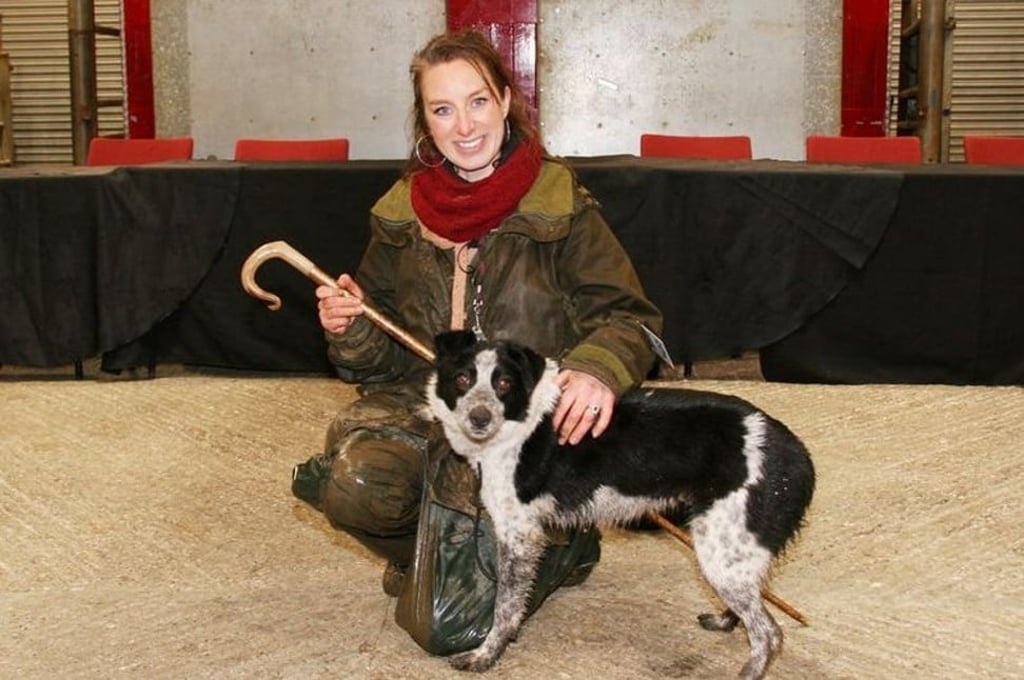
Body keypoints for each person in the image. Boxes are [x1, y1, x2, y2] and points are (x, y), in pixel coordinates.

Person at [291, 29, 663, 654]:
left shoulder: (562, 202)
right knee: (355, 483)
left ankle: (557, 545)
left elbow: (630, 318)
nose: (464, 126)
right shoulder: (399, 212)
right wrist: (351, 326)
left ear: (506, 101)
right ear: (425, 123)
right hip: (427, 414)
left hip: (527, 436)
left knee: (448, 628)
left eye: (478, 101)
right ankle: (437, 554)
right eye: (442, 109)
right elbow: (378, 363)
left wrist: (597, 370)